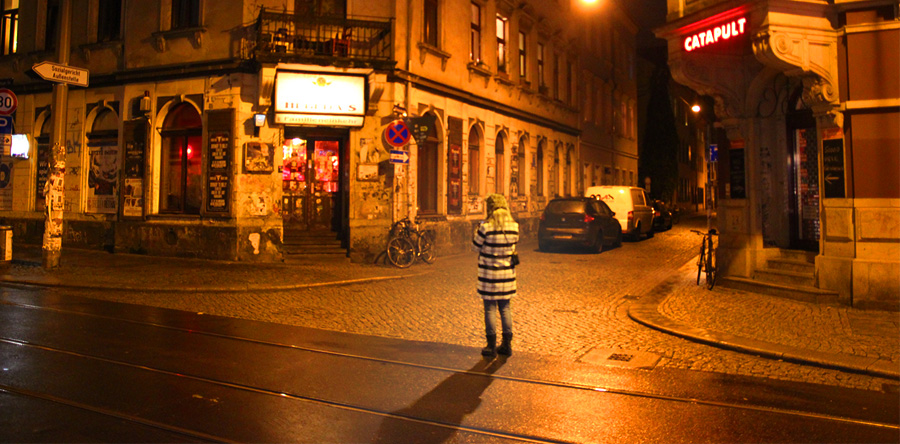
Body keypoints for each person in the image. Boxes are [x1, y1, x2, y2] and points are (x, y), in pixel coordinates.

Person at [472, 194, 519, 357]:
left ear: (490, 208)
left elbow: (475, 247)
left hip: (489, 276)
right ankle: (507, 345)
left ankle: (491, 346)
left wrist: (478, 230)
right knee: (505, 308)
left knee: (490, 308)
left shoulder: (486, 227)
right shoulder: (514, 227)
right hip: (506, 276)